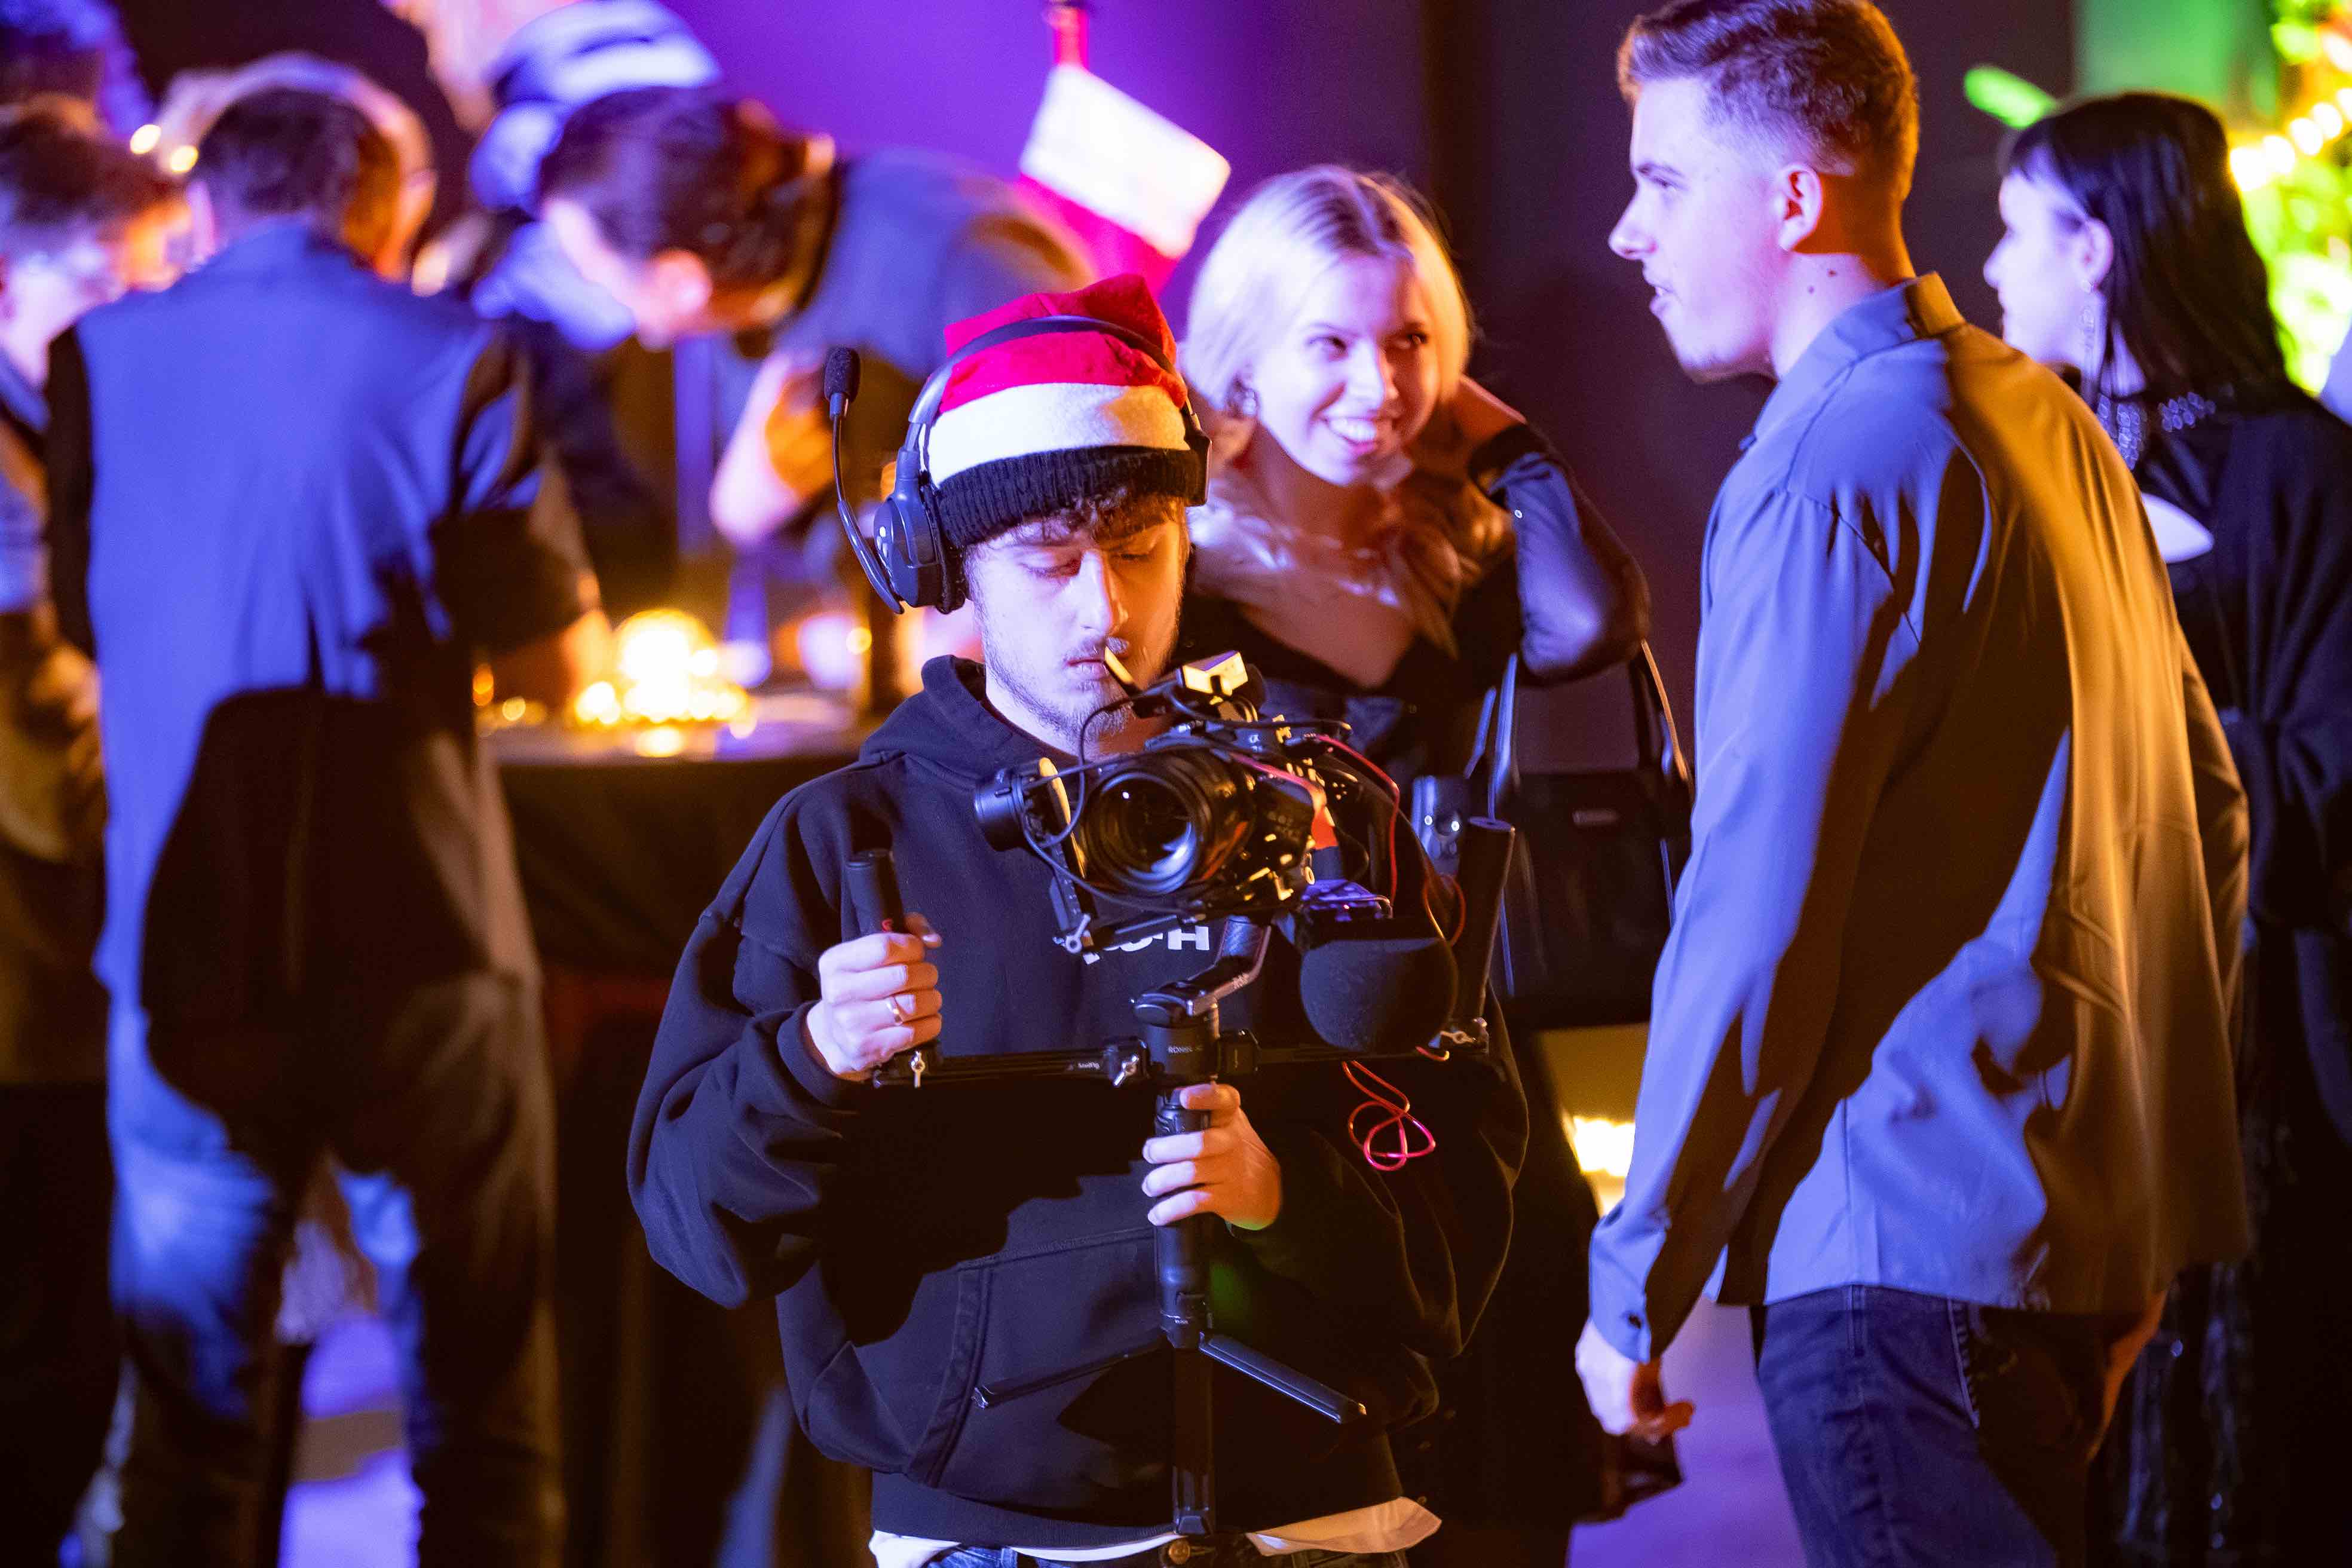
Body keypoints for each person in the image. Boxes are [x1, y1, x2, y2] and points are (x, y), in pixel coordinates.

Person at [627, 273, 1526, 1567]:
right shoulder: (844, 840)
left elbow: (1467, 1163)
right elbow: (694, 1224)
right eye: (1050, 563)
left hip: (1316, 1510)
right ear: (950, 571)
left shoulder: (1324, 809)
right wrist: (813, 1057)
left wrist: (1286, 1199)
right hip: (991, 1533)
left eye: (1141, 551)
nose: (1104, 610)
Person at [1582, 4, 2252, 1565]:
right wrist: (2135, 1211)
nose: (1628, 230)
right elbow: (2205, 817)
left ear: (1793, 197)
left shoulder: (1827, 461)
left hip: (1893, 1258)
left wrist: (1634, 1285)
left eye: (1664, 181)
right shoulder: (2046, 419)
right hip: (2058, 1246)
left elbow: (1753, 907)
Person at [47, 87, 610, 1566]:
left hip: (185, 947)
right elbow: (556, 658)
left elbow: (86, 622)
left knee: (186, 1426)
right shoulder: (460, 351)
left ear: (209, 206)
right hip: (422, 939)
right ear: (383, 211)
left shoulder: (94, 357)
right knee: (481, 1418)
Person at [1175, 163, 1650, 1568]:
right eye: (1327, 340)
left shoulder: (1453, 548)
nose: (1378, 385)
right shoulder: (1177, 568)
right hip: (1273, 1066)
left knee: (1501, 1486)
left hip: (1456, 1052)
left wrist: (1508, 445)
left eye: (1409, 340)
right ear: (1241, 354)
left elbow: (1593, 623)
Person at [1984, 91, 2352, 1565]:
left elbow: (2332, 771)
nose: (1992, 268)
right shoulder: (2036, 464)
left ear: (2096, 248)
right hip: (2073, 1052)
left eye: (2017, 230)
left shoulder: (2300, 473)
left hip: (2262, 1061)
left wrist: (2148, 746)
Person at [535, 84, 1092, 562]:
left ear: (680, 280)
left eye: (591, 273)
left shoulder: (966, 259)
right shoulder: (724, 316)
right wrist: (741, 515)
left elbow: (1079, 504)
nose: (594, 294)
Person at [0, 95, 179, 1566]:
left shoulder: (53, 426)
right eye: (113, 282)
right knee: (48, 1354)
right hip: (28, 985)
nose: (144, 313)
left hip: (53, 976)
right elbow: (53, 755)